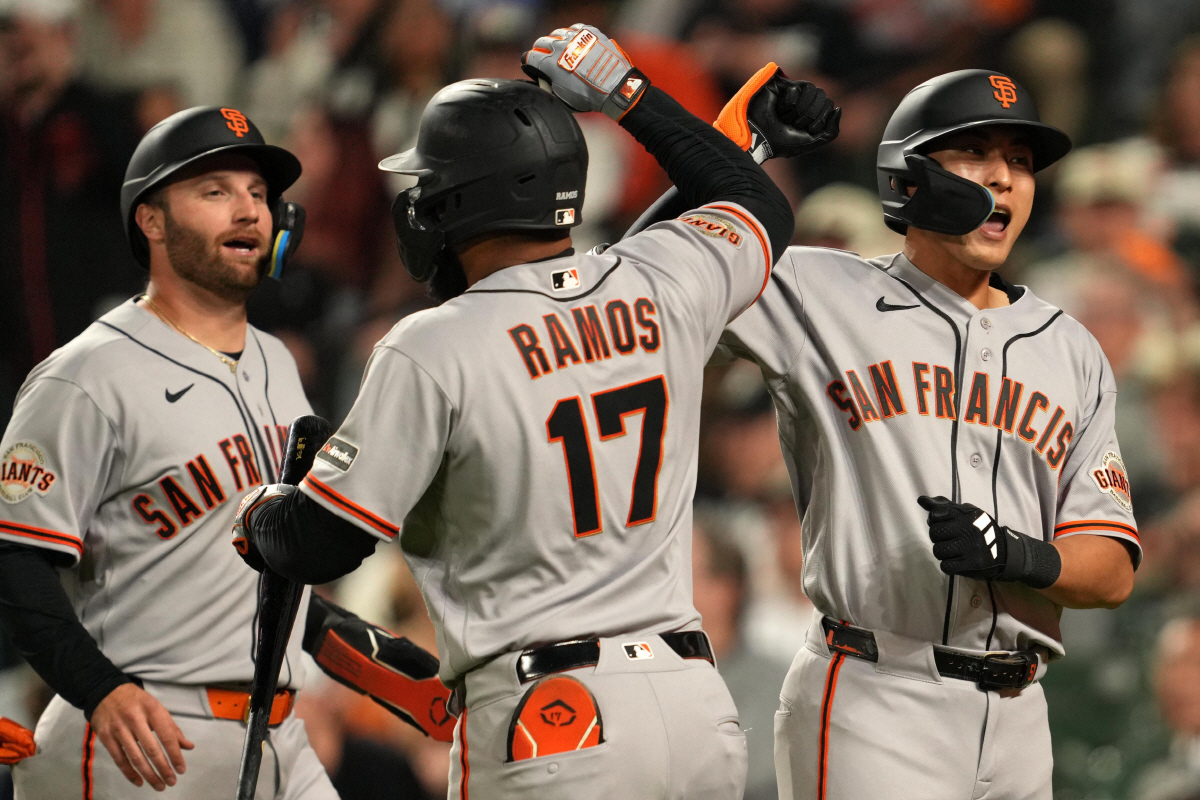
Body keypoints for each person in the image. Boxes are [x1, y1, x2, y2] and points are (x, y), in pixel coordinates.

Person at [230, 23, 837, 800]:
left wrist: (263, 514)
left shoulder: (431, 344)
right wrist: (631, 93)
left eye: (425, 187)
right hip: (692, 710)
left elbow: (323, 544)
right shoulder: (656, 277)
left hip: (551, 722)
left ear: (454, 202)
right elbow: (754, 204)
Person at [631, 68, 1140, 799]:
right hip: (876, 691)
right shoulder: (812, 290)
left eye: (1021, 161)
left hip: (1023, 712)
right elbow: (630, 301)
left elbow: (1113, 568)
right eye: (973, 154)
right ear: (910, 176)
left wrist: (1020, 554)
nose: (1003, 177)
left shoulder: (1071, 349)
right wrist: (735, 154)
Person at [0, 105, 450, 799]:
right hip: (144, 738)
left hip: (280, 730)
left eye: (258, 195)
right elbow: (16, 558)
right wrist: (100, 692)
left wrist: (385, 667)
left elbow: (262, 579)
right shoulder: (86, 376)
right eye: (215, 192)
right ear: (150, 220)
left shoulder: (278, 364)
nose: (248, 211)